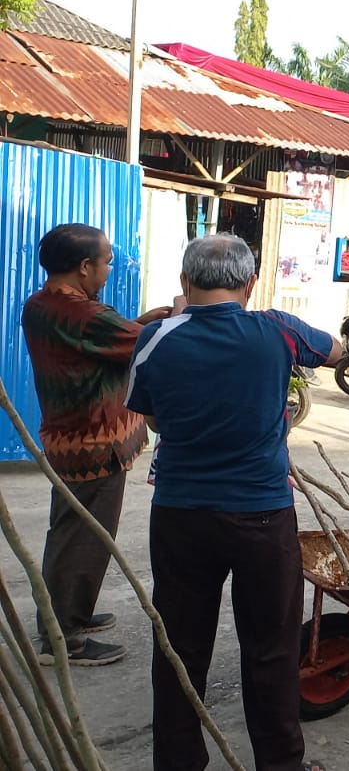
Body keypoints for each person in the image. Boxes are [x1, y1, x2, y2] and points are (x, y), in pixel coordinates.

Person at [125, 234, 342, 771]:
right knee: (271, 648)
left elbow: (151, 419)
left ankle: (177, 763)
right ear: (249, 283)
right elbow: (339, 352)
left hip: (181, 515)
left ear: (183, 282)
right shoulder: (278, 329)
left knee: (179, 646)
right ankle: (280, 763)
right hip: (263, 516)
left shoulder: (154, 338)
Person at [21, 224, 178, 667]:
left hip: (70, 437)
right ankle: (64, 636)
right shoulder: (81, 314)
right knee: (85, 536)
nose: (110, 268)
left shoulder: (45, 304)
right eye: (106, 261)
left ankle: (72, 614)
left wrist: (143, 321)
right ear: (84, 266)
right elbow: (142, 346)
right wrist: (177, 320)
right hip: (90, 443)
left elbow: (114, 338)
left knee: (73, 530)